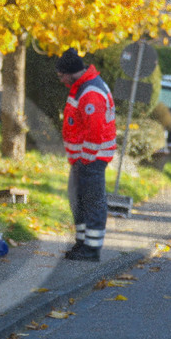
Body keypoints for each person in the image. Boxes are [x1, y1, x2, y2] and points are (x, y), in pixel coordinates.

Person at [56, 47, 116, 262]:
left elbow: (94, 130)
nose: (60, 79)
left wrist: (86, 158)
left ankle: (91, 248)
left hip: (91, 158)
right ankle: (82, 243)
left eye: (61, 75)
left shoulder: (91, 93)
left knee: (92, 201)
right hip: (83, 158)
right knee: (78, 200)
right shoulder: (82, 86)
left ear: (70, 72)